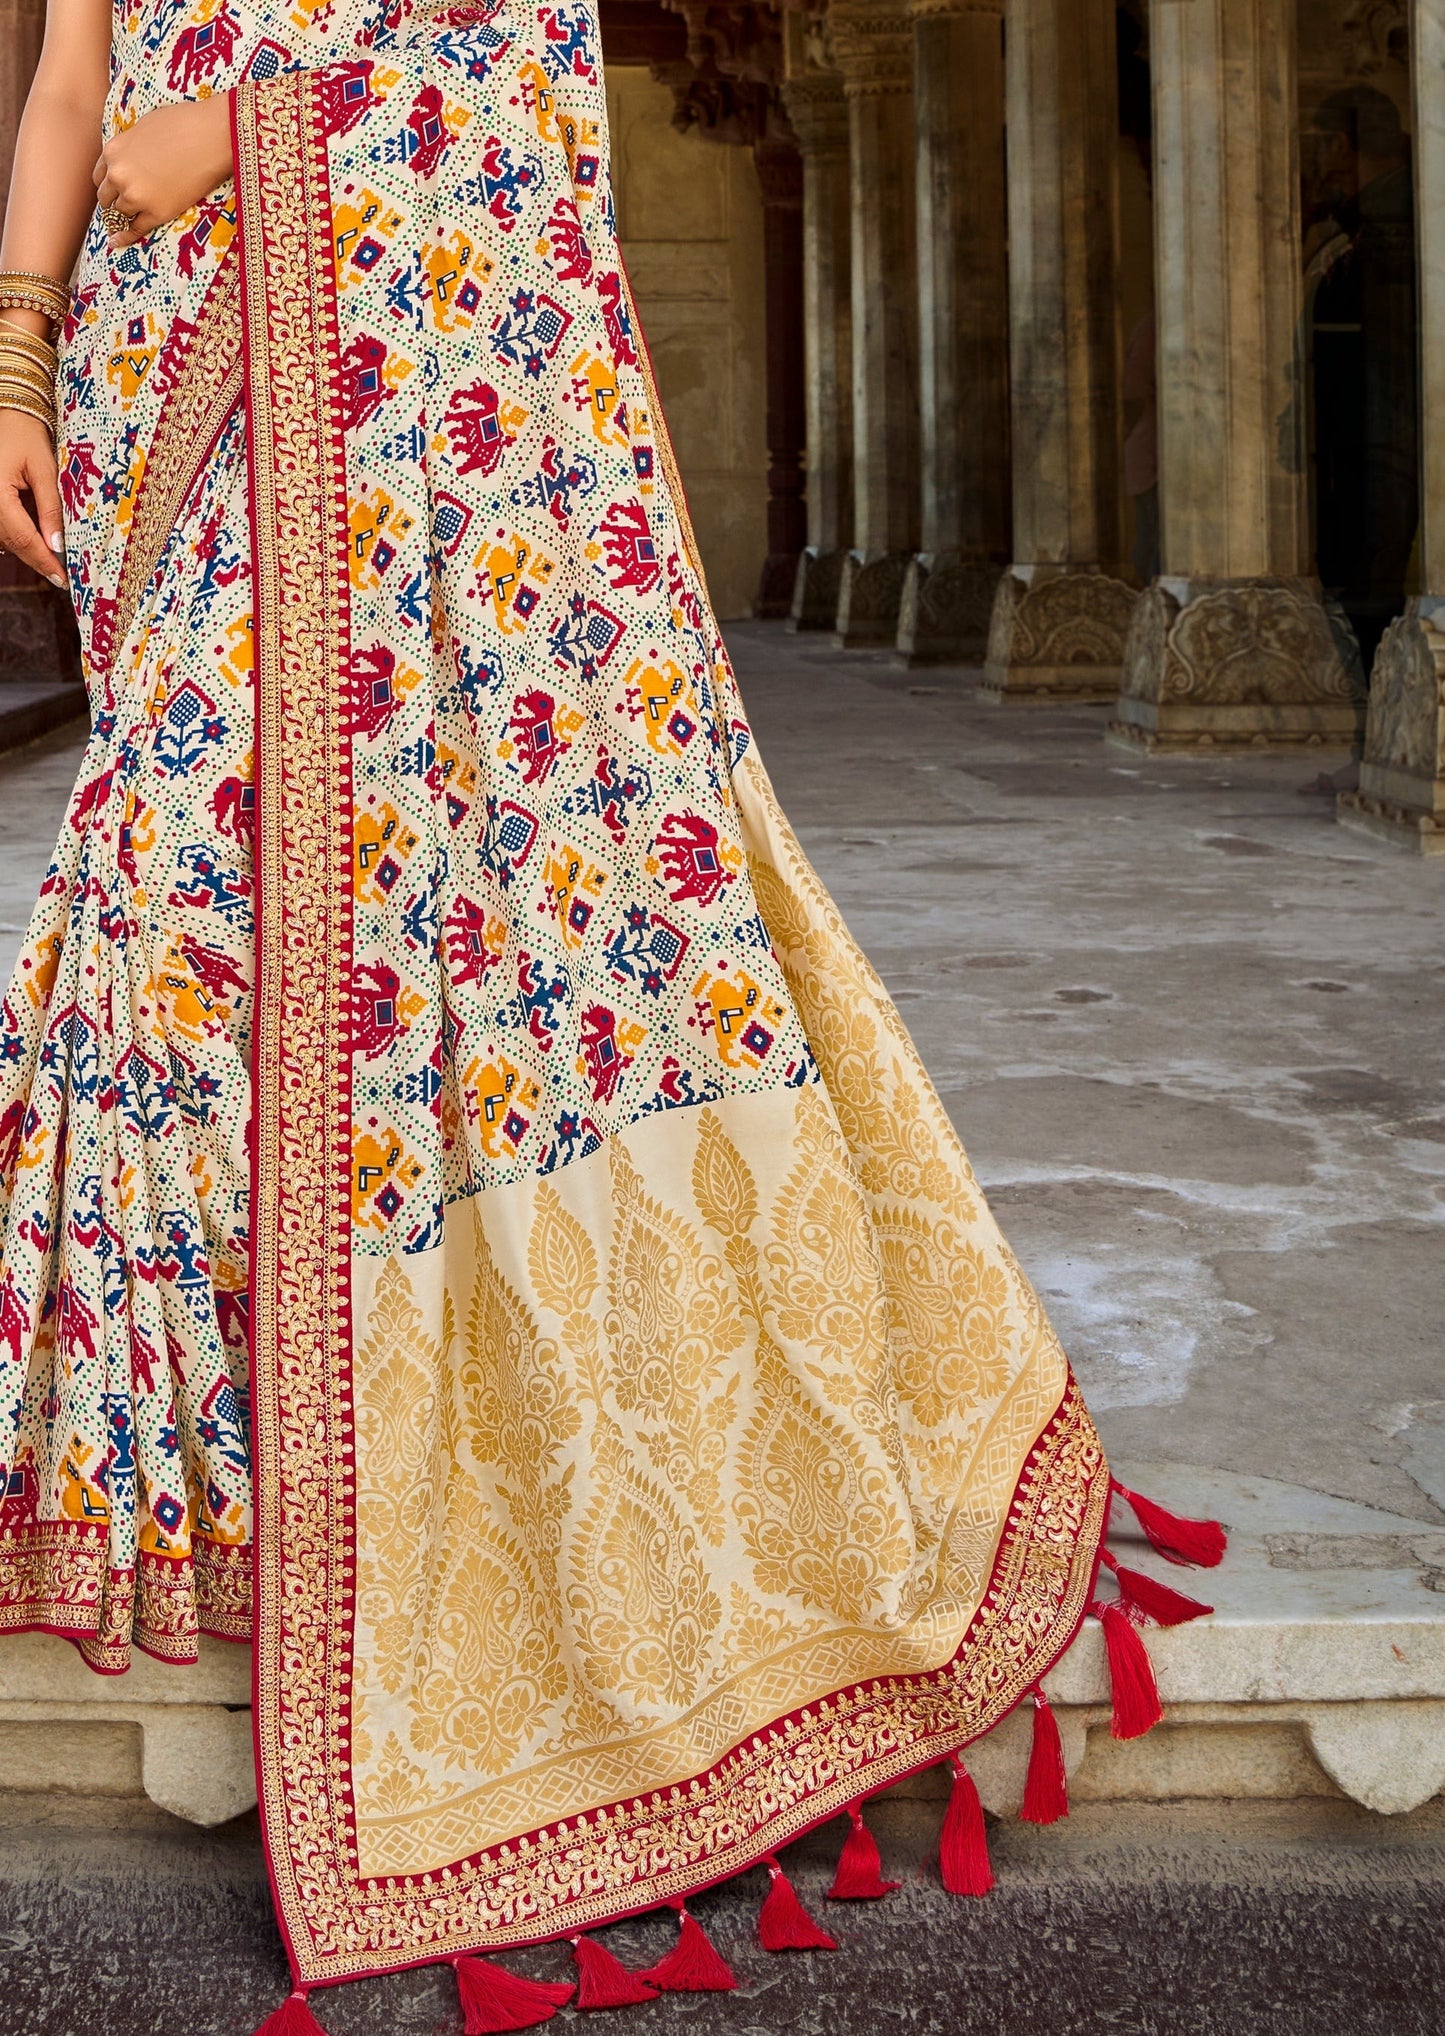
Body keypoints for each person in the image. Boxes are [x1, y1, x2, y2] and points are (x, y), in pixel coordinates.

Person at [0, 1, 1223, 2027]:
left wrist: (253, 137)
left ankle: (424, 1489)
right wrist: (15, 354)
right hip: (174, 377)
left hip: (387, 374)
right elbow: (62, 74)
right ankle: (219, 1486)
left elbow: (520, 61)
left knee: (319, 909)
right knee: (161, 923)